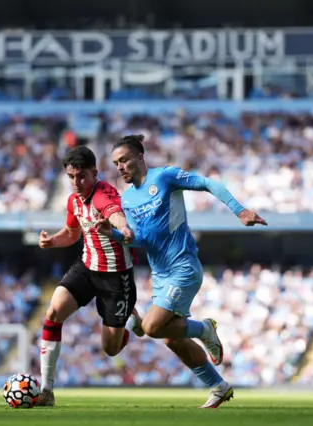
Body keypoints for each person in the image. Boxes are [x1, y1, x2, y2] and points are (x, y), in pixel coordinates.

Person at [97, 135, 267, 408]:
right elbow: (140, 239)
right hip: (161, 275)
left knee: (151, 327)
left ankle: (204, 329)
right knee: (170, 338)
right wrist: (114, 234)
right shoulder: (127, 200)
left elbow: (208, 183)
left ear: (140, 157)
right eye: (116, 163)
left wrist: (240, 210)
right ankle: (218, 386)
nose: (120, 167)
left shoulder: (164, 177)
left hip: (183, 266)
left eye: (124, 160)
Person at [36, 145, 143, 407]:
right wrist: (53, 241)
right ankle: (46, 391)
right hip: (87, 266)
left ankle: (130, 320)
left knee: (110, 349)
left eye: (81, 176)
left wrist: (124, 227)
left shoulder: (103, 193)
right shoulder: (73, 200)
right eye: (71, 176)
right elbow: (72, 233)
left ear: (94, 173)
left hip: (116, 277)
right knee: (53, 313)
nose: (76, 182)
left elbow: (114, 213)